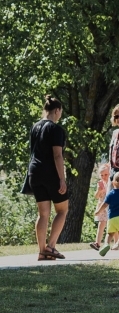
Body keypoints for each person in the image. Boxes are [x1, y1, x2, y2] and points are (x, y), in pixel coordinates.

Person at [23, 95, 69, 261]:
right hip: (50, 172)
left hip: (34, 172)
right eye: (60, 113)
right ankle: (51, 246)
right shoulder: (56, 129)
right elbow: (57, 155)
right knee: (62, 210)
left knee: (43, 214)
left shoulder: (35, 126)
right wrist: (62, 179)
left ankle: (42, 251)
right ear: (57, 110)